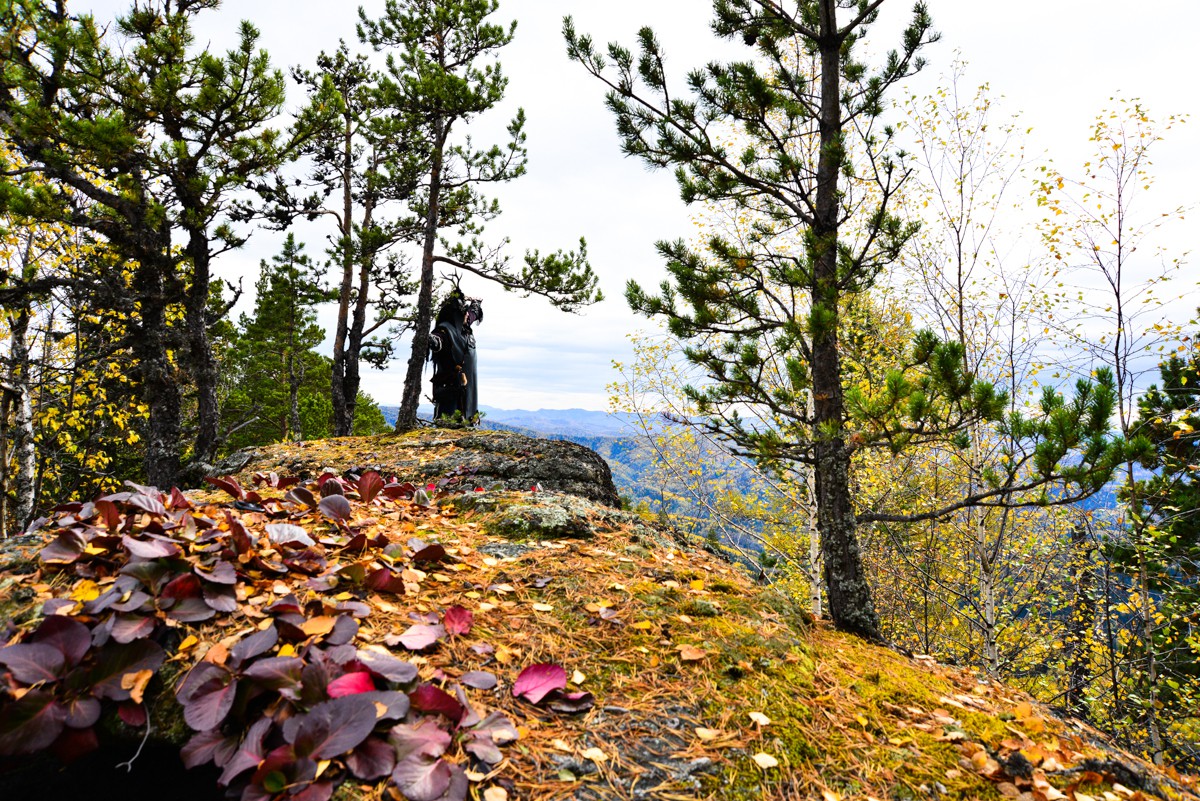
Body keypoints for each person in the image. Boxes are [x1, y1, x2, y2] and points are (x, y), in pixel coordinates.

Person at [428, 289, 483, 424]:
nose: (467, 315)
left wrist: (476, 302)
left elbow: (473, 313)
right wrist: (431, 340)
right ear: (456, 315)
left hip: (468, 389)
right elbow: (438, 341)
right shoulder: (444, 331)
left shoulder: (464, 327)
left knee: (467, 416)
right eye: (463, 313)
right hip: (451, 387)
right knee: (450, 418)